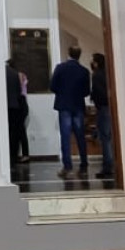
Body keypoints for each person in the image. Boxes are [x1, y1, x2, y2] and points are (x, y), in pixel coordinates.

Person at [48, 46, 92, 179]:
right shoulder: (84, 71)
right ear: (79, 55)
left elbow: (53, 86)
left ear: (69, 54)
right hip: (78, 105)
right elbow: (86, 91)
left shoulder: (60, 68)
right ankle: (84, 166)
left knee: (65, 137)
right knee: (80, 136)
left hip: (64, 105)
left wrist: (63, 93)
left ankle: (68, 167)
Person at [89, 52, 115, 181]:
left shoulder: (97, 75)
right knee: (110, 137)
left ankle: (107, 166)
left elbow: (98, 92)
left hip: (103, 108)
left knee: (105, 138)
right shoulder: (109, 73)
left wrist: (95, 101)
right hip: (110, 107)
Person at [4, 58, 30, 168]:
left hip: (14, 105)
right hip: (19, 104)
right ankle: (19, 154)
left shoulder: (11, 75)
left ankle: (14, 155)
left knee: (15, 132)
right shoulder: (19, 75)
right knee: (19, 132)